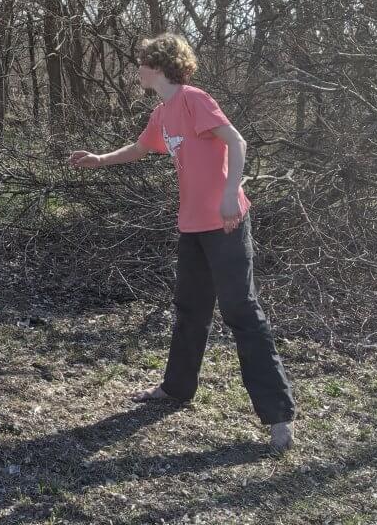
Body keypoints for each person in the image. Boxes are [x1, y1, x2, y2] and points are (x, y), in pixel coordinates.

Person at [68, 33, 296, 453]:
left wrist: (232, 193)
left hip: (226, 224)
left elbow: (236, 141)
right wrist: (99, 159)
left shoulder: (193, 98)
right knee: (190, 310)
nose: (136, 69)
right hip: (192, 227)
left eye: (140, 63)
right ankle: (176, 389)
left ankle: (278, 416)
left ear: (156, 66)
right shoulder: (163, 112)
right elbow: (141, 147)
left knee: (241, 311)